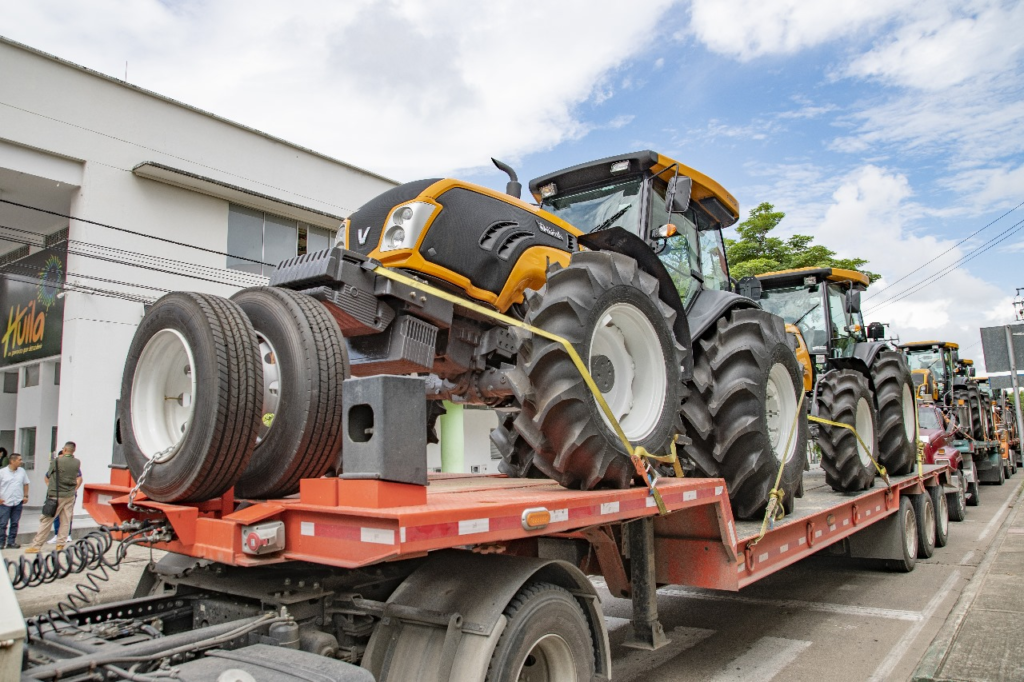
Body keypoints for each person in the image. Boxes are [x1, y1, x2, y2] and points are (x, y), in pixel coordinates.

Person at [25, 441, 81, 553]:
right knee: (65, 520)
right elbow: (78, 477)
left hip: (56, 495)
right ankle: (60, 544)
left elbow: (49, 474)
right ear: (73, 450)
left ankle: (36, 545)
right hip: (70, 495)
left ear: (64, 449)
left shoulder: (56, 461)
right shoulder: (77, 462)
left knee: (47, 520)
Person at [0, 452, 29, 549]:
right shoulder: (2, 472)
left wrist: (25, 495)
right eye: (19, 460)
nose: (21, 461)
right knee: (3, 523)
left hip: (17, 501)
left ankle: (11, 542)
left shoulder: (22, 471)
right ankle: (1, 542)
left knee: (15, 523)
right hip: (5, 502)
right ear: (12, 461)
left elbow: (26, 483)